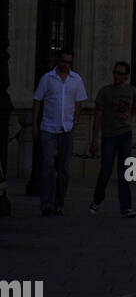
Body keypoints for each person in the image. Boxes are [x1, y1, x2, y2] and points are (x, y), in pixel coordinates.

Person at [32, 50, 87, 217]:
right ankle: (46, 204)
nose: (66, 65)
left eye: (69, 62)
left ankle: (59, 204)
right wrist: (35, 125)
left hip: (67, 129)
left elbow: (79, 103)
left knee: (64, 169)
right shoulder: (47, 79)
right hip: (48, 128)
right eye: (63, 61)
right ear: (58, 60)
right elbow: (37, 102)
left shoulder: (76, 79)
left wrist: (75, 121)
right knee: (48, 166)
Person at [88, 60, 136, 216]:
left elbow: (135, 106)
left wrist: (128, 119)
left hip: (125, 134)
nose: (116, 76)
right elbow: (97, 117)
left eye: (120, 73)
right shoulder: (105, 92)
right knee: (105, 170)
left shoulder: (132, 90)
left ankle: (126, 207)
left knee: (125, 171)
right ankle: (97, 200)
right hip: (109, 135)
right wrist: (94, 140)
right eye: (115, 72)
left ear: (126, 76)